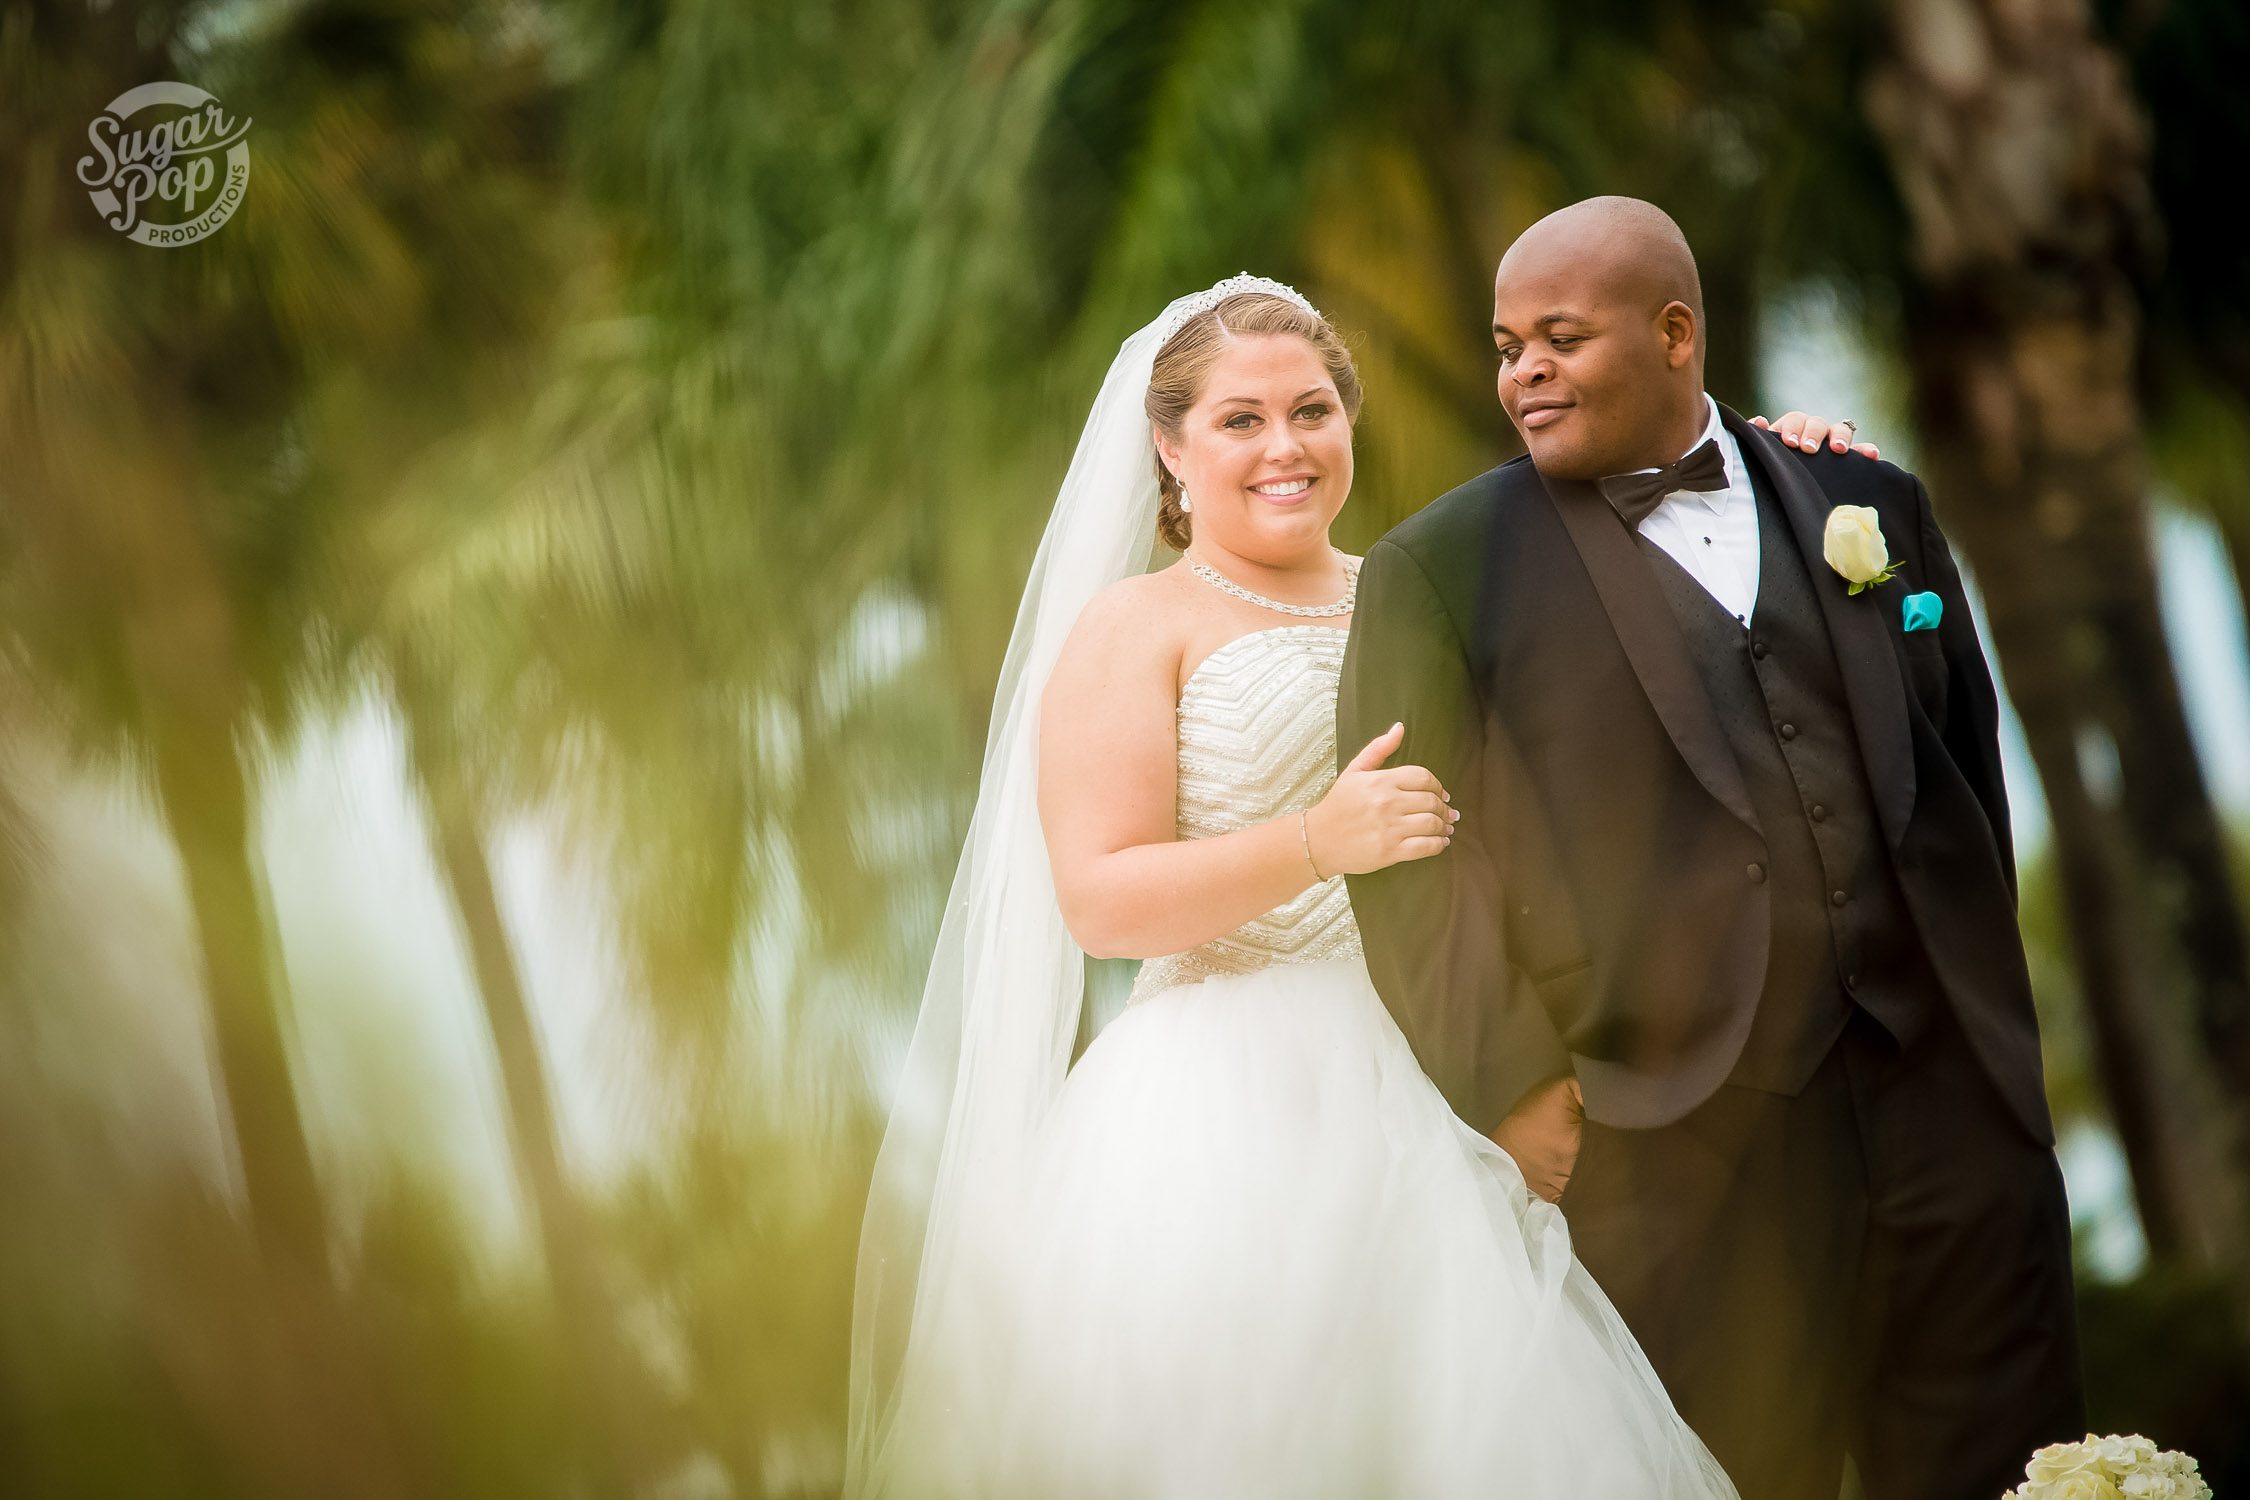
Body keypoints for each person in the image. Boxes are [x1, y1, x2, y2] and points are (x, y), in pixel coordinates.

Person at [845, 270, 1867, 1498]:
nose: (1286, 446)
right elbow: (1102, 900)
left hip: (1446, 1073)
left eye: (1312, 410)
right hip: (1224, 1112)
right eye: (1241, 419)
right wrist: (1315, 844)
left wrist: (1781, 464)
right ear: (1170, 449)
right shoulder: (1136, 626)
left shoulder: (1417, 589)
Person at [1339, 198, 2087, 1499]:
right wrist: (1514, 1089)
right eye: (1508, 347)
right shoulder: (1440, 568)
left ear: (1675, 333)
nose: (1523, 373)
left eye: (1561, 339)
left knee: (2006, 1471)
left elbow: (1963, 762)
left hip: (1946, 1117)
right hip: (1673, 1149)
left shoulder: (1869, 500)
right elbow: (1405, 855)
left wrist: (1988, 1036)